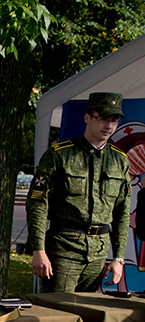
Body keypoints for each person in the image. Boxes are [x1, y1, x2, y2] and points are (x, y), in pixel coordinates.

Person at [27, 92, 131, 293]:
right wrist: (38, 249)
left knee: (87, 313)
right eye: (102, 119)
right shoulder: (60, 155)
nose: (108, 126)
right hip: (63, 248)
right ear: (87, 118)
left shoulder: (120, 161)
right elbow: (37, 204)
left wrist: (118, 258)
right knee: (58, 312)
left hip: (98, 251)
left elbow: (122, 212)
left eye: (114, 120)